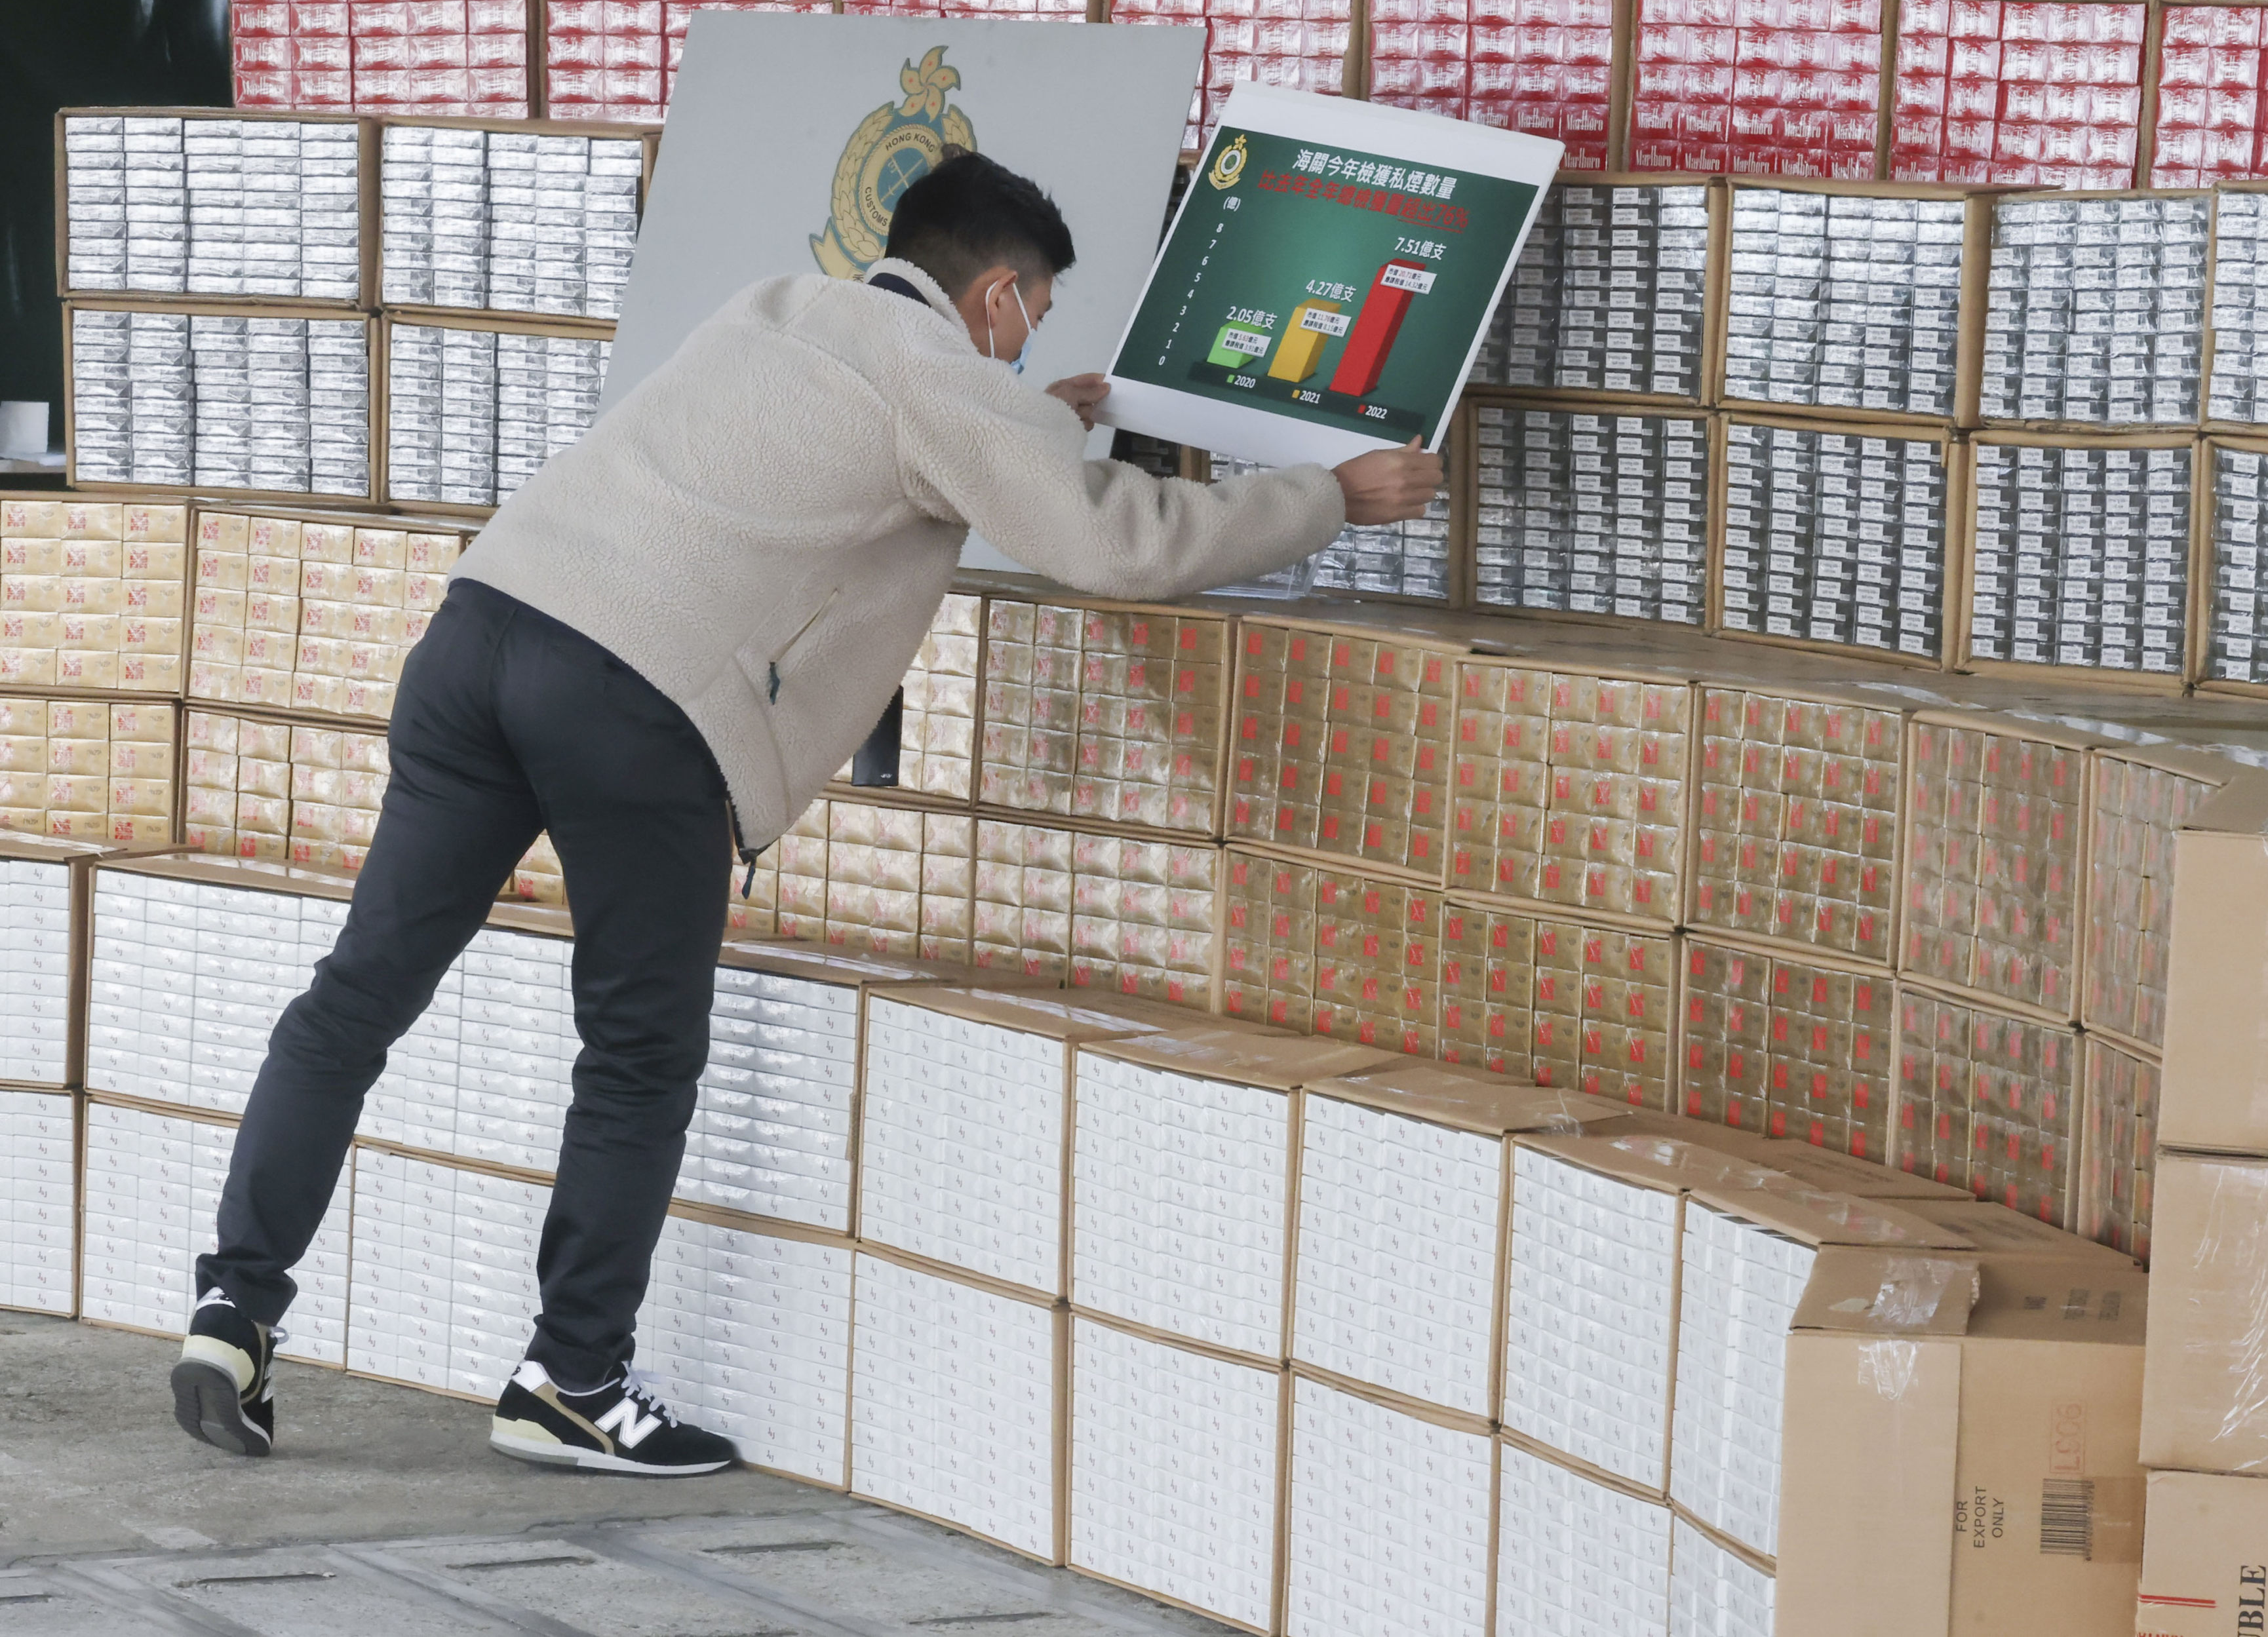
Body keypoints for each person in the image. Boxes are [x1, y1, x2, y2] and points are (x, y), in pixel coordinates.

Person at [170, 151, 1443, 1473]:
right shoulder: (952, 383)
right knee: (635, 1053)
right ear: (997, 294)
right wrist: (1325, 497)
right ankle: (570, 1378)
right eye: (1038, 312)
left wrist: (1028, 428)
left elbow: (896, 448)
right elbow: (1114, 545)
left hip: (480, 634)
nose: (1028, 342)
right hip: (633, 700)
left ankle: (232, 1304)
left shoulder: (772, 306)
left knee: (357, 994)